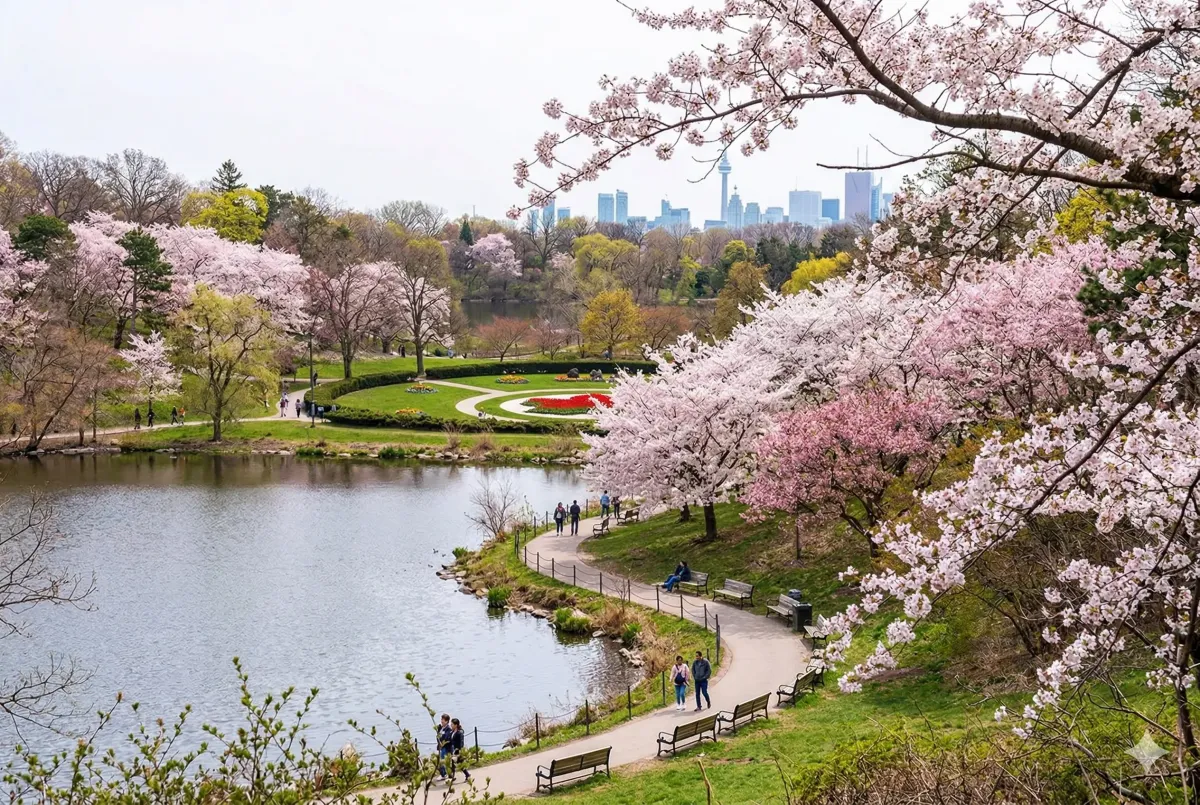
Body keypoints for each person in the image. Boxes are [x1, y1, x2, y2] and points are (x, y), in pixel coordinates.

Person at [448, 717, 471, 782]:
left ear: (456, 725)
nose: (451, 725)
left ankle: (466, 775)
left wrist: (459, 750)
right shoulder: (452, 732)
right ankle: (454, 776)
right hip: (453, 750)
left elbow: (461, 742)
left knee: (458, 763)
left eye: (452, 724)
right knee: (456, 763)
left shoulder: (459, 733)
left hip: (458, 751)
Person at [436, 714, 453, 781]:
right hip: (441, 747)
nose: (441, 721)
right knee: (441, 761)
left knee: (443, 761)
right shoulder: (441, 728)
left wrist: (442, 742)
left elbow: (446, 738)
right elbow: (438, 736)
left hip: (446, 747)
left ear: (446, 721)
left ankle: (444, 774)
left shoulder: (448, 729)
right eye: (441, 719)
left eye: (443, 720)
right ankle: (445, 773)